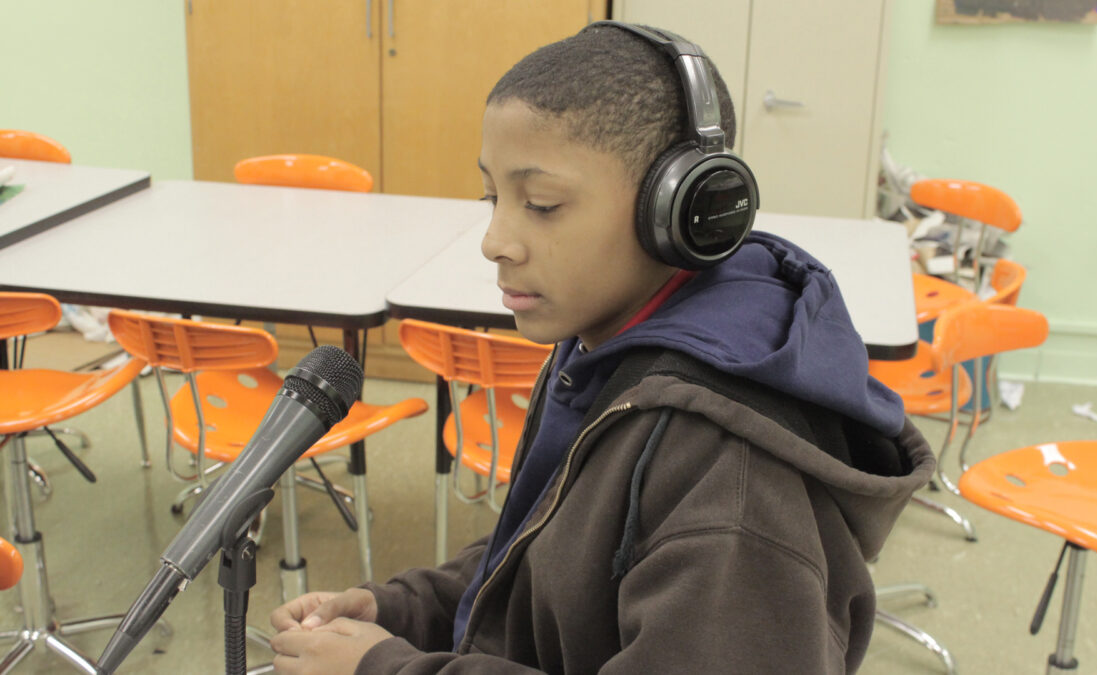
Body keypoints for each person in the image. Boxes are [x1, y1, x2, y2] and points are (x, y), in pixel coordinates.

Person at [269, 21, 934, 675]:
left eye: (542, 204)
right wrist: (406, 611)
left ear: (680, 211)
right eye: (492, 196)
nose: (495, 240)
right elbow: (550, 553)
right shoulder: (605, 348)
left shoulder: (730, 479)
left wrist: (385, 669)